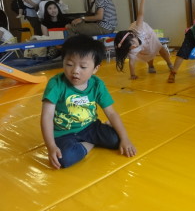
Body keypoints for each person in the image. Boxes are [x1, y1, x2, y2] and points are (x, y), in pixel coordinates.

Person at [41, 35, 136, 169]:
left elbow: (112, 113)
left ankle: (96, 137)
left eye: (83, 67)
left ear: (95, 69)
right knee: (64, 159)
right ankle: (92, 143)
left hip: (90, 127)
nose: (75, 71)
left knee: (116, 140)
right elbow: (47, 116)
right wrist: (51, 146)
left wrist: (125, 139)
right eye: (69, 64)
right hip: (64, 133)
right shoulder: (56, 84)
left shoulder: (97, 84)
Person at [114, 0, 173, 79]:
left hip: (147, 33)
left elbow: (140, 14)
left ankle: (169, 63)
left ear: (133, 36)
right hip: (140, 41)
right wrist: (133, 75)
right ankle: (151, 65)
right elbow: (131, 62)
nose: (133, 47)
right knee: (147, 52)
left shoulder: (138, 29)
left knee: (159, 47)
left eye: (133, 44)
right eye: (131, 47)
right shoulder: (131, 47)